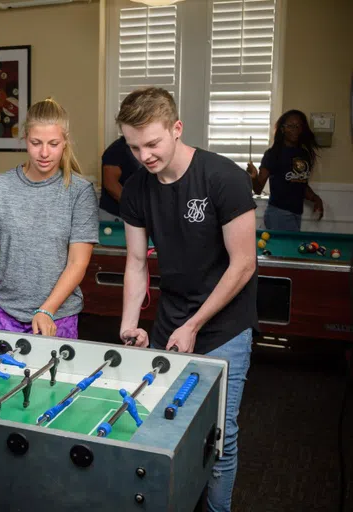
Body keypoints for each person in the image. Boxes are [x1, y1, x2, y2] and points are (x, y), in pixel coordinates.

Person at [116, 87, 257, 512]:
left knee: (219, 433)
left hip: (224, 326)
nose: (144, 156)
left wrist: (194, 326)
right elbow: (137, 262)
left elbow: (244, 264)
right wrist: (129, 323)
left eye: (153, 143)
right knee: (164, 423)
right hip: (170, 320)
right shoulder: (137, 188)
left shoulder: (223, 177)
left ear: (176, 129)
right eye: (134, 146)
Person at [0, 98, 99, 338]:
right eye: (36, 143)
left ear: (65, 142)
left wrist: (47, 310)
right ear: (25, 140)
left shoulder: (79, 192)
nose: (44, 153)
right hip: (4, 313)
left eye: (53, 144)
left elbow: (77, 263)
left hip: (57, 317)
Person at [247, 109, 323, 231]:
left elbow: (300, 183)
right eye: (291, 126)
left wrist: (315, 198)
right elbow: (258, 189)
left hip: (297, 214)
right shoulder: (273, 154)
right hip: (278, 214)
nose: (295, 130)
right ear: (282, 129)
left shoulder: (304, 155)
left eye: (298, 126)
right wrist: (254, 177)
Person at [98, 135, 142, 222]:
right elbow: (110, 184)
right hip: (114, 216)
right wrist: (134, 207)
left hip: (135, 215)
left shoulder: (143, 149)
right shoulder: (117, 149)